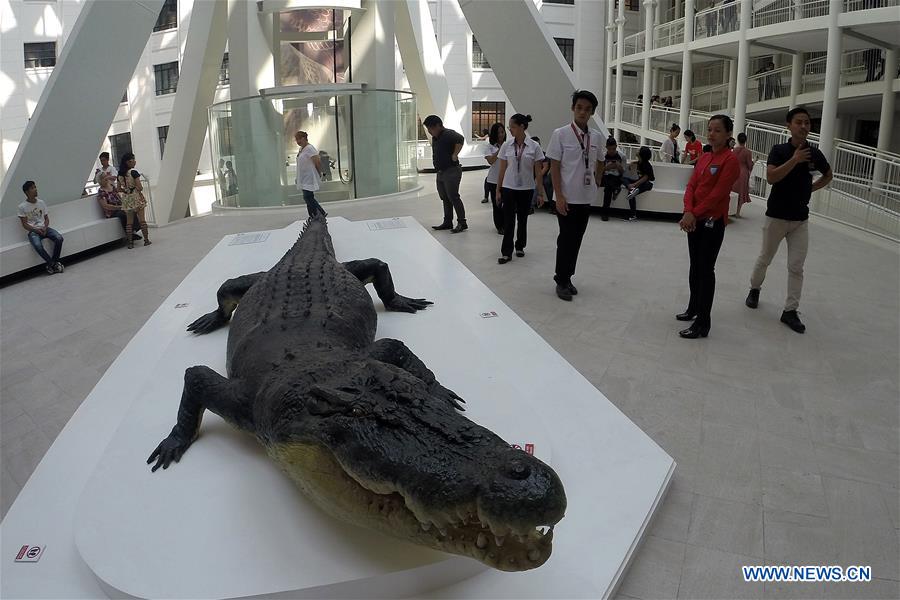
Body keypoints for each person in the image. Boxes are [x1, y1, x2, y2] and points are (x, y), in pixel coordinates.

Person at [745, 107, 833, 334]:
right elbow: (771, 178)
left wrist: (810, 189)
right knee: (765, 258)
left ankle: (790, 311)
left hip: (800, 220)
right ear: (789, 126)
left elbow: (828, 175)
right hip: (776, 216)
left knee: (796, 267)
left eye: (807, 123)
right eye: (799, 122)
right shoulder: (779, 150)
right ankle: (755, 288)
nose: (804, 126)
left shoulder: (815, 154)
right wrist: (794, 160)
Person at [676, 114, 740, 339]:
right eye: (710, 129)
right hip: (694, 219)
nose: (712, 134)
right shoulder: (704, 157)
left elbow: (718, 194)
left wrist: (694, 213)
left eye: (718, 130)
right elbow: (692, 185)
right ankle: (693, 308)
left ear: (728, 134)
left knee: (705, 270)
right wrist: (687, 209)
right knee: (695, 266)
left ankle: (704, 322)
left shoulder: (730, 161)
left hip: (712, 222)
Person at [546, 90, 603, 301]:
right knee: (566, 239)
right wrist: (558, 196)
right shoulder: (560, 134)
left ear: (592, 112)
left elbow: (600, 159)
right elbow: (554, 166)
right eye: (579, 107)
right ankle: (560, 280)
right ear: (573, 108)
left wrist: (598, 179)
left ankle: (568, 277)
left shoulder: (596, 137)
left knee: (577, 240)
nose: (582, 112)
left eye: (587, 109)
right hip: (567, 198)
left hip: (585, 198)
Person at [495, 114, 545, 264]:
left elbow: (538, 172)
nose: (510, 129)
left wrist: (540, 193)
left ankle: (520, 246)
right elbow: (502, 170)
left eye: (513, 126)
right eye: (510, 126)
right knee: (509, 220)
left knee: (522, 219)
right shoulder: (506, 145)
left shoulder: (534, 146)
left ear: (522, 127)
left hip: (527, 188)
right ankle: (506, 252)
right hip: (509, 188)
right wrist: (498, 190)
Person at [424, 115, 467, 233]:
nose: (429, 131)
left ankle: (462, 222)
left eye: (431, 128)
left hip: (451, 170)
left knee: (453, 196)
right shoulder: (435, 137)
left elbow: (460, 139)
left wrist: (455, 154)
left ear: (438, 125)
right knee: (445, 198)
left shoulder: (449, 134)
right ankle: (448, 221)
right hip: (441, 171)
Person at [18, 181, 64, 274]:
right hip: (33, 231)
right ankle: (54, 264)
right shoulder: (22, 207)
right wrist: (36, 230)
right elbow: (25, 224)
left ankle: (52, 264)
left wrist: (45, 227)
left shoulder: (41, 202)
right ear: (26, 192)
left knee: (59, 238)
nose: (35, 189)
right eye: (32, 188)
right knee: (38, 246)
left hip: (44, 228)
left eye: (35, 187)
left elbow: (46, 218)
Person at [116, 152, 151, 248]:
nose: (134, 162)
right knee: (142, 220)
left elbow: (118, 189)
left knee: (129, 222)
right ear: (128, 162)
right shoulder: (133, 173)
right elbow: (139, 187)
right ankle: (146, 240)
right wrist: (134, 189)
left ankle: (130, 243)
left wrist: (126, 190)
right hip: (136, 197)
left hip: (127, 199)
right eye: (132, 160)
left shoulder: (119, 175)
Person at [294, 131, 327, 218]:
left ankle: (320, 213)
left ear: (304, 138)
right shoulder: (301, 149)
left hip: (309, 176)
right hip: (304, 177)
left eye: (299, 139)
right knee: (308, 197)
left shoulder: (310, 148)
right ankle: (313, 215)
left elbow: (317, 162)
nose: (297, 141)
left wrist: (319, 173)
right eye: (296, 140)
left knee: (308, 196)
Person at [483, 122, 506, 233]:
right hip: (493, 180)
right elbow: (491, 161)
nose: (501, 135)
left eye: (502, 132)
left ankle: (506, 224)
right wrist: (499, 150)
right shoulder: (489, 146)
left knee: (507, 204)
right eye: (498, 133)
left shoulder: (509, 145)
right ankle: (499, 226)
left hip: (507, 179)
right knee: (497, 204)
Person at [622, 146, 655, 221]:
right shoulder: (640, 162)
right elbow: (638, 163)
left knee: (644, 186)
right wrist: (633, 163)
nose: (637, 150)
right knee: (623, 178)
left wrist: (634, 184)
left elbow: (645, 178)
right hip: (638, 182)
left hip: (647, 183)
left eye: (639, 150)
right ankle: (633, 189)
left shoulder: (646, 165)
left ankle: (635, 190)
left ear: (641, 154)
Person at [600, 137, 626, 222]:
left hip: (617, 177)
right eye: (610, 149)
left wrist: (618, 166)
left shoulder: (622, 156)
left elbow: (623, 173)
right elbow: (599, 171)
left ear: (616, 147)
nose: (611, 151)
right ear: (606, 147)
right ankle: (615, 190)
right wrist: (606, 168)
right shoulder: (603, 156)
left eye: (614, 149)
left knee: (609, 187)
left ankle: (605, 213)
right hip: (606, 176)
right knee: (609, 186)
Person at [731, 132, 754, 217]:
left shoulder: (734, 150)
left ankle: (730, 210)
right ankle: (737, 212)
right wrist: (754, 162)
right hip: (743, 173)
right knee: (741, 191)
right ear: (745, 140)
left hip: (734, 172)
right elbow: (749, 165)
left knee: (733, 191)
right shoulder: (748, 152)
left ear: (738, 140)